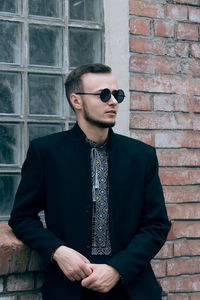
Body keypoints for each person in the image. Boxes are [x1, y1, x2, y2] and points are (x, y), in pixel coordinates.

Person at [9, 63, 171, 300]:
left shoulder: (141, 156)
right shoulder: (46, 152)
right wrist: (58, 251)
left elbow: (156, 225)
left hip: (131, 289)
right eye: (104, 95)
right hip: (70, 289)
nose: (113, 101)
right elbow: (22, 217)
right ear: (76, 100)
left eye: (117, 95)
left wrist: (118, 268)